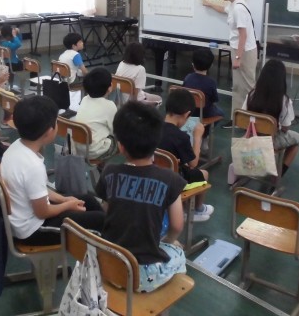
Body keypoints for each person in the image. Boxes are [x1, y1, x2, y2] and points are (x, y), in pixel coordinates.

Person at [95, 101, 187, 293]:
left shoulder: (109, 172)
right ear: (156, 143)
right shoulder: (170, 179)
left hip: (109, 264)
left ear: (121, 147)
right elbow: (177, 225)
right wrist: (169, 240)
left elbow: (106, 211)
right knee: (178, 251)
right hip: (142, 276)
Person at [0, 96, 104, 245]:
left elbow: (37, 191)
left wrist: (63, 199)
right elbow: (42, 212)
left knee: (88, 200)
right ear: (49, 131)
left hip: (24, 218)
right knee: (100, 220)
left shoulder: (16, 146)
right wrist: (67, 205)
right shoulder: (33, 166)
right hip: (34, 231)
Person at [203, 0, 257, 127]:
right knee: (238, 86)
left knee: (247, 86)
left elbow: (243, 35)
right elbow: (223, 10)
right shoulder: (234, 4)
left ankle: (251, 120)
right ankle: (237, 118)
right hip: (239, 49)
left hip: (244, 51)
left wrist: (238, 57)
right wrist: (209, 4)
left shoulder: (239, 8)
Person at [159, 88, 214, 222]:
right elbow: (193, 163)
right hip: (171, 181)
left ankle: (187, 208)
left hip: (153, 173)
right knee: (204, 174)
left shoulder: (153, 126)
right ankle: (195, 210)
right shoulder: (181, 137)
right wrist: (197, 137)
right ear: (187, 114)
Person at [243, 59, 299, 177]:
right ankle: (279, 173)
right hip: (270, 141)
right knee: (298, 138)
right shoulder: (284, 100)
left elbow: (243, 117)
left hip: (250, 136)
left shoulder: (251, 94)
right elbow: (286, 127)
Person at [183, 46, 225, 146]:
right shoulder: (211, 82)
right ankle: (204, 135)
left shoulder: (188, 78)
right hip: (204, 113)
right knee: (221, 113)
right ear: (210, 66)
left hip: (188, 112)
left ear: (193, 64)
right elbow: (214, 100)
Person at [74, 67, 118, 160]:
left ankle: (101, 165)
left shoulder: (85, 99)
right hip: (93, 152)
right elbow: (115, 131)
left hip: (77, 148)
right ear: (109, 88)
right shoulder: (110, 106)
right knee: (120, 141)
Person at [115, 41, 162, 106]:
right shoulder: (140, 69)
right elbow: (135, 95)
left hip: (121, 99)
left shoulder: (121, 64)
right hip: (134, 102)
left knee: (146, 95)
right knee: (159, 99)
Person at [0, 24, 23, 90]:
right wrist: (15, 35)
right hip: (13, 65)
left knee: (12, 71)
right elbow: (19, 44)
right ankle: (33, 85)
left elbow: (15, 41)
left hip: (6, 64)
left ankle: (11, 86)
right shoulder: (8, 44)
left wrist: (15, 35)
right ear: (8, 36)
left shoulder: (1, 43)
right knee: (32, 63)